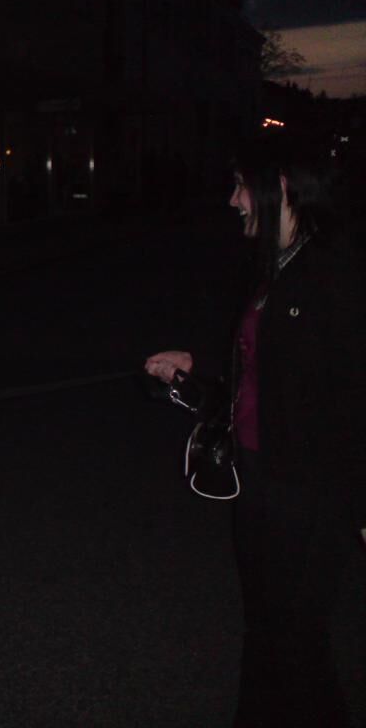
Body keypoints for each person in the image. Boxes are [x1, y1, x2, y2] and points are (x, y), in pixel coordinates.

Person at [145, 136, 366, 727]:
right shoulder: (273, 267)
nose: (233, 200)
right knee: (266, 630)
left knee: (297, 642)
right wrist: (191, 375)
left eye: (242, 185)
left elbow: (352, 396)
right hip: (258, 481)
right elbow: (258, 383)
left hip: (311, 493)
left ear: (282, 187)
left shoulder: (335, 272)